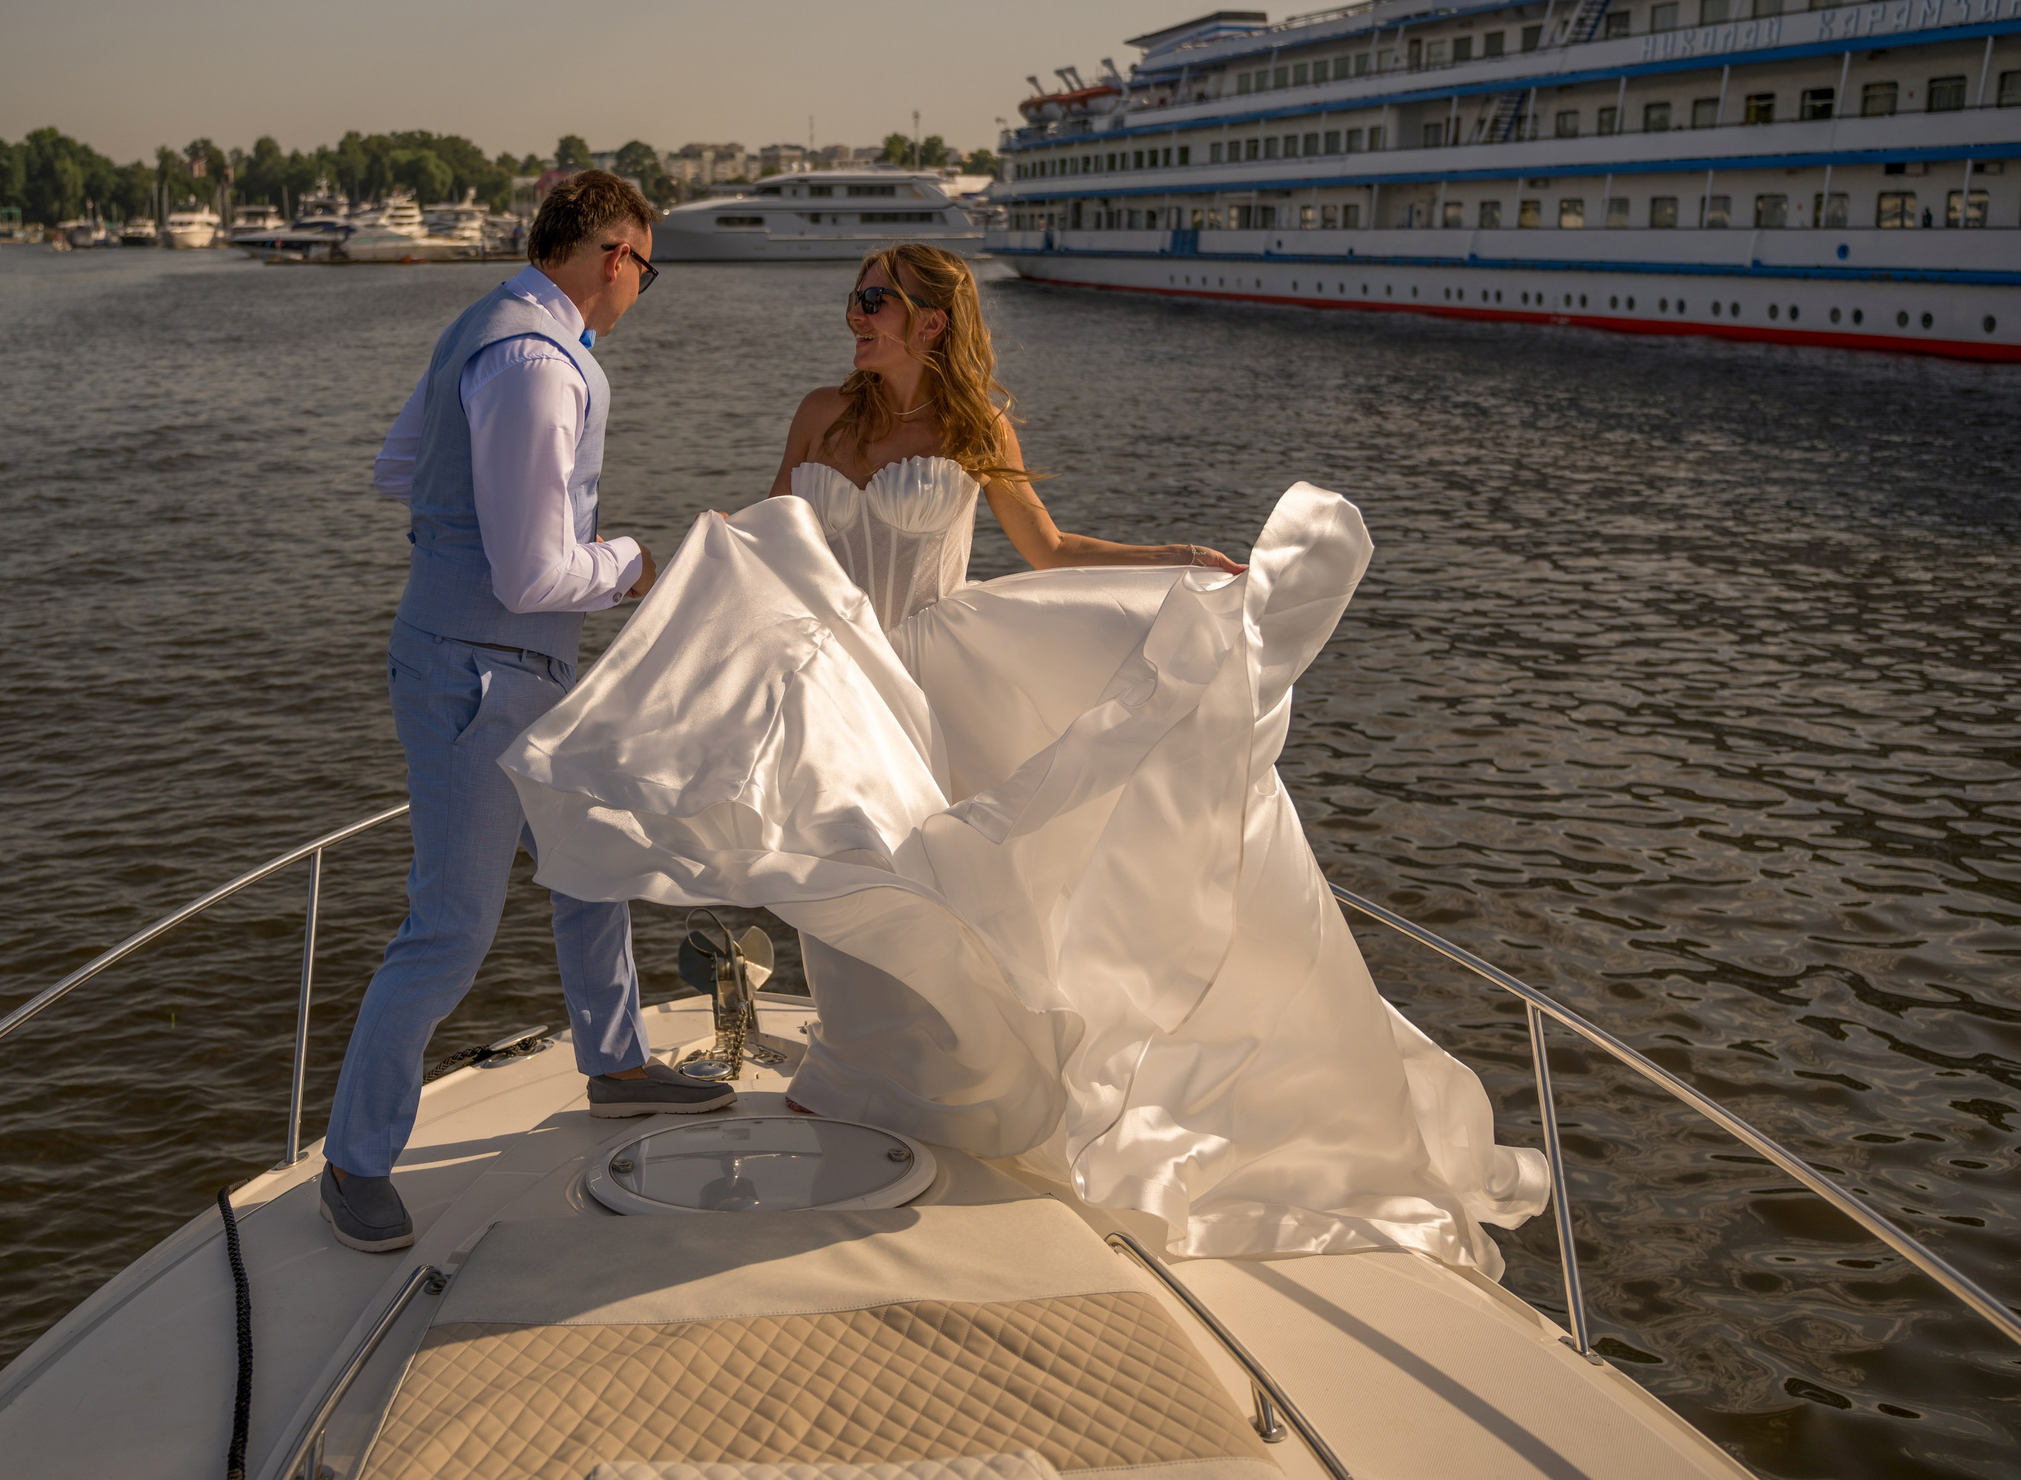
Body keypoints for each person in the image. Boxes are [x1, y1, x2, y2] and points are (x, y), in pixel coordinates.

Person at [504, 244, 1549, 1275]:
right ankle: (858, 1073)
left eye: (873, 299)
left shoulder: (972, 426)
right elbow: (775, 536)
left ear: (930, 322)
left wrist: (1179, 559)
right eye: (854, 296)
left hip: (933, 674)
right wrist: (692, 597)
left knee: (931, 881)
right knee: (830, 875)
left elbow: (1050, 551)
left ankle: (949, 1084)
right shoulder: (821, 412)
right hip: (834, 671)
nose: (853, 314)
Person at [319, 171, 734, 1254]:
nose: (645, 287)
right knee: (449, 932)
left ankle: (618, 1062)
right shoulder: (538, 367)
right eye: (648, 267)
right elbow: (532, 573)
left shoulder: (484, 323)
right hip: (482, 674)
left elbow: (395, 469)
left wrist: (469, 519)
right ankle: (355, 1163)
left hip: (506, 664)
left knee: (590, 857)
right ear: (612, 258)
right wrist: (636, 561)